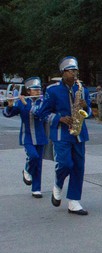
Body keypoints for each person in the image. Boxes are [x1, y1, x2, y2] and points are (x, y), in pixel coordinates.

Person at [37, 56, 91, 215]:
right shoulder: (52, 90)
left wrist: (85, 107)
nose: (75, 73)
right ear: (63, 72)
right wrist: (59, 118)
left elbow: (87, 113)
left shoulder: (82, 89)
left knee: (79, 168)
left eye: (76, 70)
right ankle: (58, 184)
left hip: (79, 133)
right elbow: (43, 114)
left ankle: (74, 201)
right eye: (71, 70)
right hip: (61, 133)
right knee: (66, 164)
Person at [3, 77, 47, 198]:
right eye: (35, 90)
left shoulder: (43, 103)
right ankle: (27, 170)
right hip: (26, 137)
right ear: (28, 92)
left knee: (38, 163)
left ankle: (36, 189)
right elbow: (7, 114)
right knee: (33, 156)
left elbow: (38, 114)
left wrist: (25, 104)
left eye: (39, 90)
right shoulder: (21, 103)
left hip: (40, 137)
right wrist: (10, 106)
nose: (38, 92)